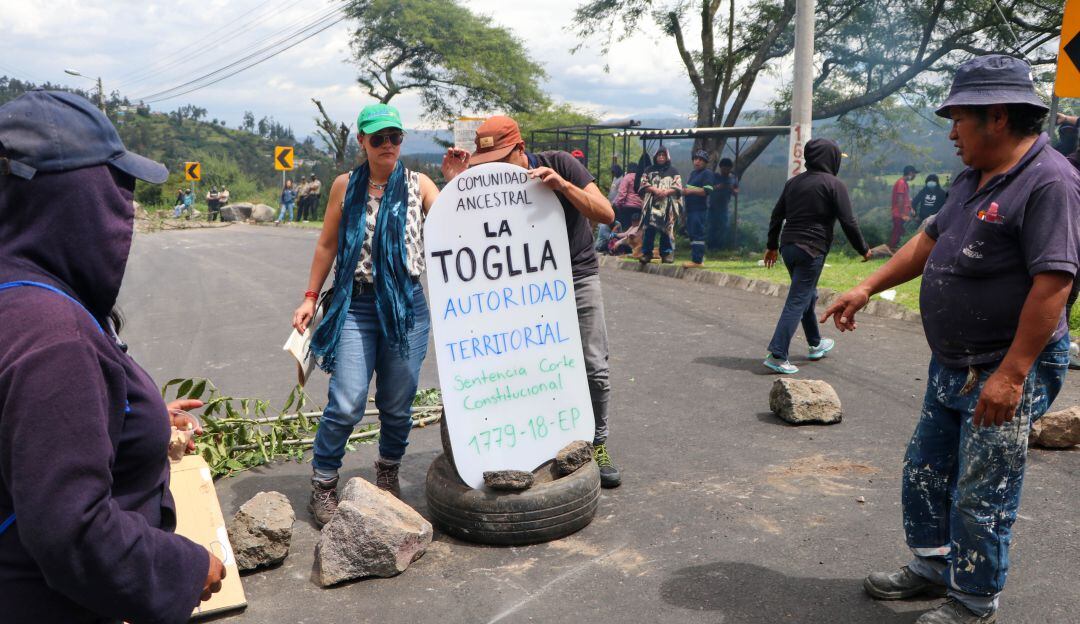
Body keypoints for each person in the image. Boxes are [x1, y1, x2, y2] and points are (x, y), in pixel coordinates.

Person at [823, 55, 1080, 624]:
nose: (950, 130)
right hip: (953, 360)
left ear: (995, 117)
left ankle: (973, 600)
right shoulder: (972, 178)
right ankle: (935, 567)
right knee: (926, 468)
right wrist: (866, 287)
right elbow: (926, 241)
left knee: (982, 488)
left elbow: (1054, 283)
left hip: (1007, 364)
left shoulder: (1050, 182)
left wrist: (1012, 375)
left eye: (958, 117)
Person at [0, 90, 224, 623]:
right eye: (117, 186)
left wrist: (130, 417)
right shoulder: (53, 336)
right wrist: (185, 568)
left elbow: (28, 427)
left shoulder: (16, 291)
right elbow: (71, 530)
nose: (127, 206)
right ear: (73, 199)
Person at [442, 115, 623, 488]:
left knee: (594, 368)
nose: (493, 169)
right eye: (486, 163)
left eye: (502, 159)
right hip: (523, 290)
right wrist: (457, 186)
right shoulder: (486, 184)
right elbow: (469, 236)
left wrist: (564, 186)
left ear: (521, 150)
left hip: (576, 277)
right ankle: (535, 442)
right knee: (528, 369)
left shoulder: (559, 163)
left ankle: (598, 444)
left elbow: (606, 214)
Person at [292, 103, 439, 527]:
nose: (388, 145)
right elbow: (326, 245)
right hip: (355, 304)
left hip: (406, 305)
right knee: (347, 401)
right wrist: (309, 297)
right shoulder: (345, 185)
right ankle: (323, 483)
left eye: (395, 137)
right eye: (379, 138)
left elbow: (456, 227)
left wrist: (461, 178)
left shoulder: (419, 184)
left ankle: (388, 473)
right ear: (362, 142)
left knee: (397, 403)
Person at [762, 138, 871, 375]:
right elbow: (848, 221)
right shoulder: (833, 184)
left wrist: (771, 245)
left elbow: (776, 215)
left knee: (807, 295)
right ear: (830, 158)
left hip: (788, 247)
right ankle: (778, 354)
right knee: (798, 298)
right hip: (811, 248)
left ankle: (815, 343)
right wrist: (863, 248)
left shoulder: (793, 183)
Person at [638, 146, 682, 264]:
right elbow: (643, 183)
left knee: (666, 230)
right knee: (649, 229)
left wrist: (666, 192)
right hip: (652, 205)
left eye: (663, 155)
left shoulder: (673, 171)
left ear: (667, 157)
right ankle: (646, 254)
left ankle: (666, 254)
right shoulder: (648, 170)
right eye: (659, 155)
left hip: (668, 206)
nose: (661, 158)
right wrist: (655, 190)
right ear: (655, 157)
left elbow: (678, 187)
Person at [683, 149, 716, 267]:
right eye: (696, 159)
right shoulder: (693, 174)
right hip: (690, 209)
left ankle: (697, 260)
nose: (697, 162)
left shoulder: (707, 173)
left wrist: (689, 191)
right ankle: (696, 258)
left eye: (701, 160)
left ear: (705, 162)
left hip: (699, 209)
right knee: (692, 234)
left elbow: (707, 190)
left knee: (697, 234)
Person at [707, 157, 738, 250]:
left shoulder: (732, 178)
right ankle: (710, 247)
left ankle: (719, 247)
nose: (726, 171)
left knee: (723, 227)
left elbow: (736, 191)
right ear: (720, 168)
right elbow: (707, 189)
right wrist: (717, 187)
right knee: (712, 227)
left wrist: (732, 189)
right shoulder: (714, 176)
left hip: (724, 207)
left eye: (728, 169)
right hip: (712, 206)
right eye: (724, 168)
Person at [890, 165, 918, 248]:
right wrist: (903, 214)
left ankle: (894, 250)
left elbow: (906, 199)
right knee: (897, 235)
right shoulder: (901, 183)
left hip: (902, 215)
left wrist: (911, 209)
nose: (915, 176)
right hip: (899, 215)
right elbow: (900, 199)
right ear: (910, 173)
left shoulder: (904, 183)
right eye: (914, 174)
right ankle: (891, 250)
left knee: (901, 234)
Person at [612, 163, 643, 229]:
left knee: (626, 227)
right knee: (636, 228)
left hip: (628, 206)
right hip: (639, 206)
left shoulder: (627, 177)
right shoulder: (641, 177)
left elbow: (622, 193)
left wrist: (618, 204)